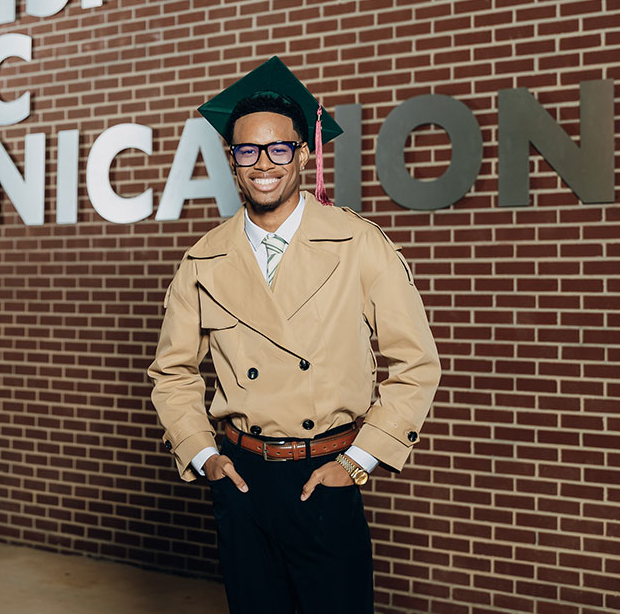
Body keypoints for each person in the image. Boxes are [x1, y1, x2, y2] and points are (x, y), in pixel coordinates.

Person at [148, 57, 441, 613]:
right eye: (247, 151)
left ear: (304, 153)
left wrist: (359, 462)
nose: (264, 164)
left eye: (279, 149)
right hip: (241, 482)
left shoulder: (359, 242)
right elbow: (172, 371)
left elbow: (417, 364)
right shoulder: (203, 259)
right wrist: (204, 453)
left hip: (325, 477)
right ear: (232, 162)